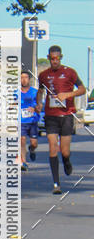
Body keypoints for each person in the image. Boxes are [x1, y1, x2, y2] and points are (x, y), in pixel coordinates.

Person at [36, 45, 85, 194]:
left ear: (61, 57)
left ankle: (67, 160)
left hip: (66, 116)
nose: (55, 61)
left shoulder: (70, 72)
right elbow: (40, 91)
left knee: (64, 151)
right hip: (51, 116)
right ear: (49, 58)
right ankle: (56, 184)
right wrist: (38, 103)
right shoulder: (43, 75)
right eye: (52, 58)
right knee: (52, 147)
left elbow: (82, 89)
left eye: (57, 58)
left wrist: (67, 95)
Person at [20, 71, 39, 171]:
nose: (23, 80)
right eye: (21, 77)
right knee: (22, 140)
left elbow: (40, 105)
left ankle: (32, 149)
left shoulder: (35, 92)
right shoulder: (16, 92)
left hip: (32, 121)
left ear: (29, 79)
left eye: (26, 77)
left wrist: (35, 108)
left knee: (34, 143)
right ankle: (23, 162)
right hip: (21, 121)